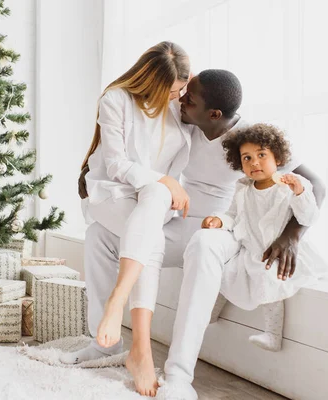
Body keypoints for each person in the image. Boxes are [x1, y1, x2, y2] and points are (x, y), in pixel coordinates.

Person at [75, 70, 326, 400]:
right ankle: (105, 344)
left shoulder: (249, 138)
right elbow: (127, 145)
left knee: (203, 243)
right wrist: (92, 173)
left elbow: (315, 185)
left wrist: (292, 236)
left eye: (189, 98)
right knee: (100, 235)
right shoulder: (183, 122)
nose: (181, 100)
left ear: (214, 114)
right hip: (179, 221)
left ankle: (179, 375)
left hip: (226, 228)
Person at [60, 41, 191, 398]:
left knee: (101, 239)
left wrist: (164, 187)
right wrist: (163, 181)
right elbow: (116, 165)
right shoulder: (116, 99)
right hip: (111, 193)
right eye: (175, 89)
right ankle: (141, 350)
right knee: (152, 229)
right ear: (154, 82)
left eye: (182, 89)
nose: (179, 95)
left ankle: (106, 343)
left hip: (150, 204)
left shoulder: (180, 108)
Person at [200, 123, 328, 353]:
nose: (254, 162)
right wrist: (219, 221)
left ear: (277, 158)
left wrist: (300, 192)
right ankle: (207, 315)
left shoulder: (288, 186)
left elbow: (308, 216)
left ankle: (272, 334)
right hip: (250, 247)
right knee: (224, 274)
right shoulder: (243, 188)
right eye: (247, 158)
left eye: (261, 155)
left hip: (274, 252)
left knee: (269, 277)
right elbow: (233, 215)